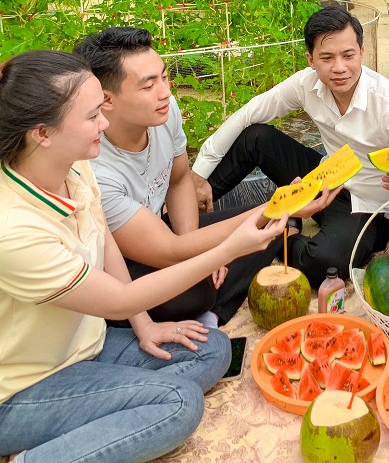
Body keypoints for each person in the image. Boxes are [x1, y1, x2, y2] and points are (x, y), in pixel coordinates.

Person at [0, 50, 287, 462]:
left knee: (214, 348)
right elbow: (119, 299)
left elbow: (106, 243)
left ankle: (95, 415)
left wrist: (146, 326)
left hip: (88, 347)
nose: (103, 124)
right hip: (20, 391)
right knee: (179, 402)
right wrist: (227, 249)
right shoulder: (14, 230)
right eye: (92, 116)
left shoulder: (74, 167)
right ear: (42, 133)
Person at [72, 28, 312, 328]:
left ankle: (212, 315)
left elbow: (179, 179)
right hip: (120, 260)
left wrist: (198, 247)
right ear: (106, 99)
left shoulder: (164, 111)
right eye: (149, 86)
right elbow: (169, 252)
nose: (165, 92)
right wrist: (212, 254)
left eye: (164, 77)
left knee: (276, 227)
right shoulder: (96, 168)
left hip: (162, 231)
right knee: (194, 293)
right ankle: (203, 306)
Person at [190, 6, 389, 288]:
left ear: (361, 53)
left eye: (348, 56)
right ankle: (193, 218)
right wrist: (200, 174)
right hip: (323, 180)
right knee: (255, 137)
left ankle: (281, 233)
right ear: (311, 59)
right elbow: (249, 113)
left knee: (325, 264)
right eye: (327, 58)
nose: (339, 67)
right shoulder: (305, 84)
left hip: (370, 208)